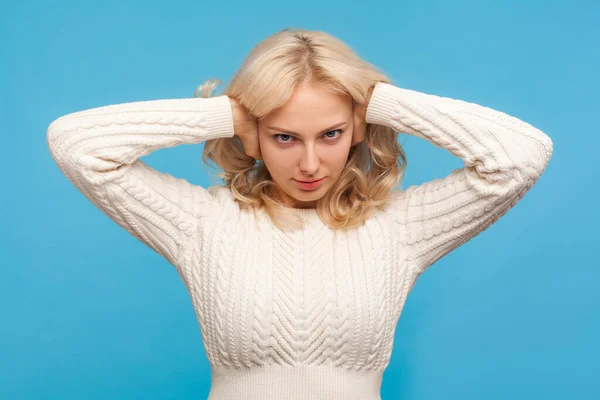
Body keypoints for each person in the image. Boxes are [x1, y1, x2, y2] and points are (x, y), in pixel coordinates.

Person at [46, 28, 553, 400]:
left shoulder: (399, 228)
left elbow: (520, 156)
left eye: (330, 133)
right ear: (256, 136)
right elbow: (76, 145)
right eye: (284, 136)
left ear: (356, 129)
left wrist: (377, 101)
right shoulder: (203, 224)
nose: (310, 164)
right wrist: (227, 114)